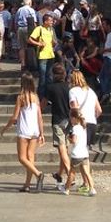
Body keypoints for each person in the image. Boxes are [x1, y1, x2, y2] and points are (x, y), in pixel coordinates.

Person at [0, 73, 45, 192]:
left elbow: (14, 117)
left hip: (24, 130)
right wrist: (42, 133)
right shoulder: (35, 97)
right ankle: (27, 184)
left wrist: (5, 128)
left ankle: (38, 173)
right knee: (30, 157)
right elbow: (40, 116)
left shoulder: (21, 97)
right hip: (34, 130)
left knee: (21, 158)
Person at [42, 61, 71, 189]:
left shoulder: (51, 88)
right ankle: (59, 174)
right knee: (65, 150)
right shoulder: (69, 87)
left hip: (58, 120)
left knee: (61, 149)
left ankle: (71, 174)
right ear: (64, 74)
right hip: (69, 120)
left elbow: (43, 104)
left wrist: (38, 110)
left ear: (54, 75)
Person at [61, 109, 96, 196]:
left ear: (74, 118)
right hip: (84, 153)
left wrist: (69, 138)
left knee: (72, 173)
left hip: (77, 154)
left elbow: (74, 141)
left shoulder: (75, 128)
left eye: (71, 118)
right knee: (87, 172)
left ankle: (67, 189)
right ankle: (92, 188)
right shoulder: (83, 127)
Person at [68, 68, 102, 150]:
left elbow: (75, 108)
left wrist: (73, 121)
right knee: (85, 150)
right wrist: (92, 117)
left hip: (80, 123)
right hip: (92, 122)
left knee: (78, 150)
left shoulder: (73, 91)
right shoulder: (91, 91)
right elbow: (99, 110)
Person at [28, 12, 56, 97]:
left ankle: (48, 96)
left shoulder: (51, 30)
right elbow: (30, 39)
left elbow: (52, 42)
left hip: (51, 55)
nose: (52, 22)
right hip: (42, 56)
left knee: (49, 77)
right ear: (45, 21)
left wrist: (54, 43)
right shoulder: (39, 29)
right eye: (50, 21)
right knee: (43, 77)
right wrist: (39, 44)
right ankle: (41, 96)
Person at [14, 0, 37, 66]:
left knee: (21, 47)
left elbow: (16, 21)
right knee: (30, 45)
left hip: (20, 28)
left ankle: (23, 63)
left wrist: (16, 30)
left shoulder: (19, 10)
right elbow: (34, 22)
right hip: (28, 28)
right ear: (30, 3)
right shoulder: (31, 10)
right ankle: (30, 61)